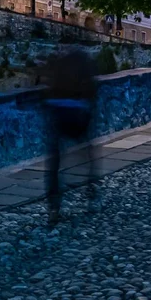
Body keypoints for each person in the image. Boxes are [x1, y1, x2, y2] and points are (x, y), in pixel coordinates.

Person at [40, 47, 98, 223]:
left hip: (59, 115)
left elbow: (46, 91)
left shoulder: (58, 65)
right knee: (88, 153)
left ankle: (54, 205)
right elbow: (92, 91)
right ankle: (91, 190)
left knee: (54, 162)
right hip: (78, 116)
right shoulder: (83, 64)